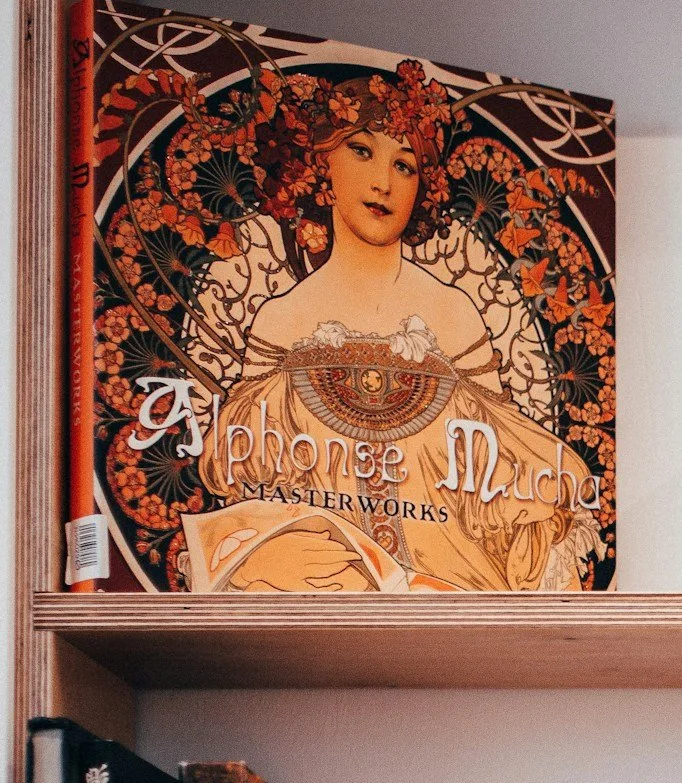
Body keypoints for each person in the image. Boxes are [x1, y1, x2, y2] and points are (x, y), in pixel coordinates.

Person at [189, 72, 600, 592]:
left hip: (451, 599)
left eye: (403, 165)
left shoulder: (454, 316)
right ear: (319, 164)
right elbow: (248, 488)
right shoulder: (281, 320)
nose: (383, 182)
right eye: (361, 151)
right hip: (319, 599)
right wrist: (261, 558)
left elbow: (500, 488)